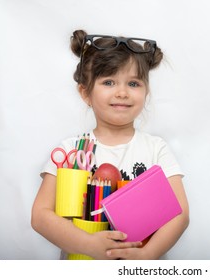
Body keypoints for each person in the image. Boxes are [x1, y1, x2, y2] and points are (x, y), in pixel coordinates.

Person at [31, 30, 189, 260]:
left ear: (146, 92)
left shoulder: (157, 149)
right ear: (85, 92)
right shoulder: (70, 150)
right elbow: (40, 216)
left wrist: (146, 256)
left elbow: (180, 213)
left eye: (134, 83)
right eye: (109, 82)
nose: (122, 92)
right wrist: (87, 244)